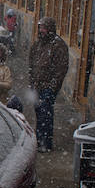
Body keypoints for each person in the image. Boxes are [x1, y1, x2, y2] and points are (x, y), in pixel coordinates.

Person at [28, 17, 70, 152]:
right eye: (40, 28)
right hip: (37, 85)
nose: (42, 30)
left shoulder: (58, 45)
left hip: (48, 87)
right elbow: (31, 64)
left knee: (46, 114)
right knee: (38, 113)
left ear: (50, 29)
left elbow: (61, 69)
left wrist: (52, 87)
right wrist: (32, 82)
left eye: (44, 28)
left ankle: (46, 143)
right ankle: (39, 140)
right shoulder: (38, 44)